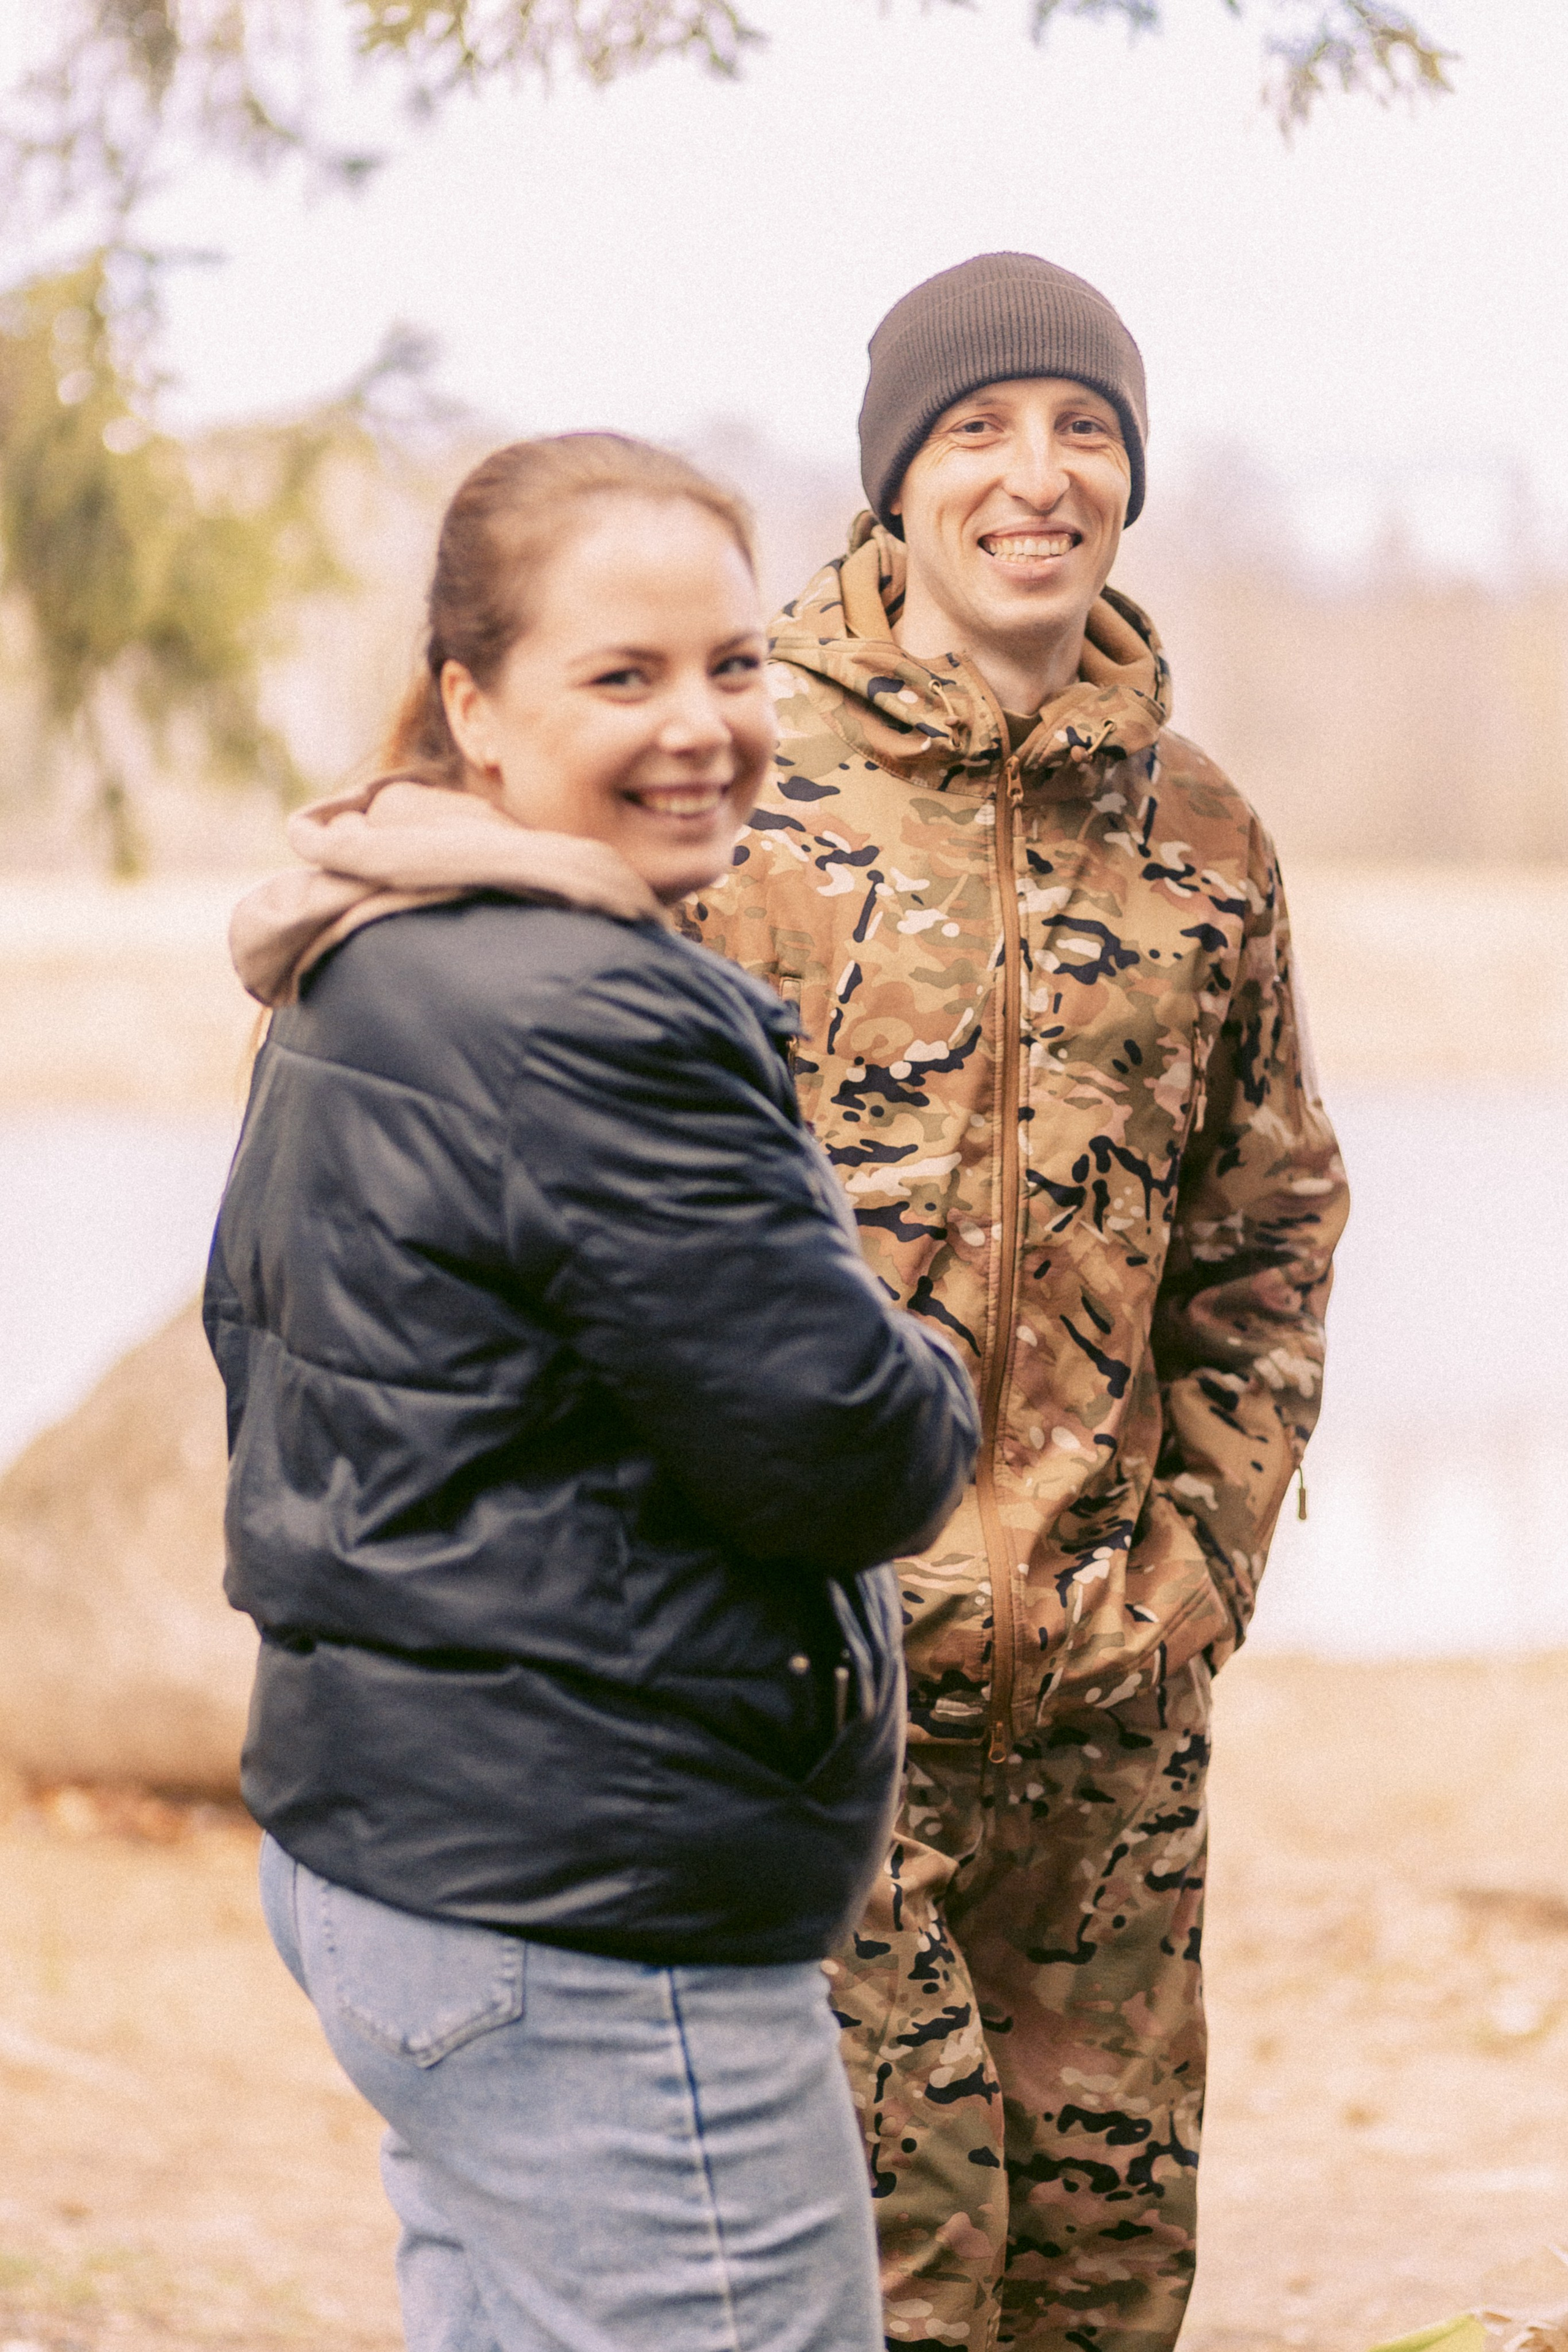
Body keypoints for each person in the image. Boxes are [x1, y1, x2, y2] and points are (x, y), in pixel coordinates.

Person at [204, 432, 981, 2352]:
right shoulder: (585, 1010)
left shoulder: (370, 949)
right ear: (471, 703)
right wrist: (941, 1351)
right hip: (590, 1915)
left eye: (731, 663)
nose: (701, 726)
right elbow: (850, 1453)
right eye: (621, 678)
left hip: (398, 1863)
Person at [687, 254, 1350, 2352]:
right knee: (881, 2296)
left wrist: (1198, 1575)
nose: (1034, 478)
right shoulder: (731, 796)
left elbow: (1271, 1229)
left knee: (1099, 2297)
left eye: (1084, 432)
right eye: (977, 431)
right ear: (894, 482)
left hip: (1110, 1733)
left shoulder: (1208, 839)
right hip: (817, 1712)